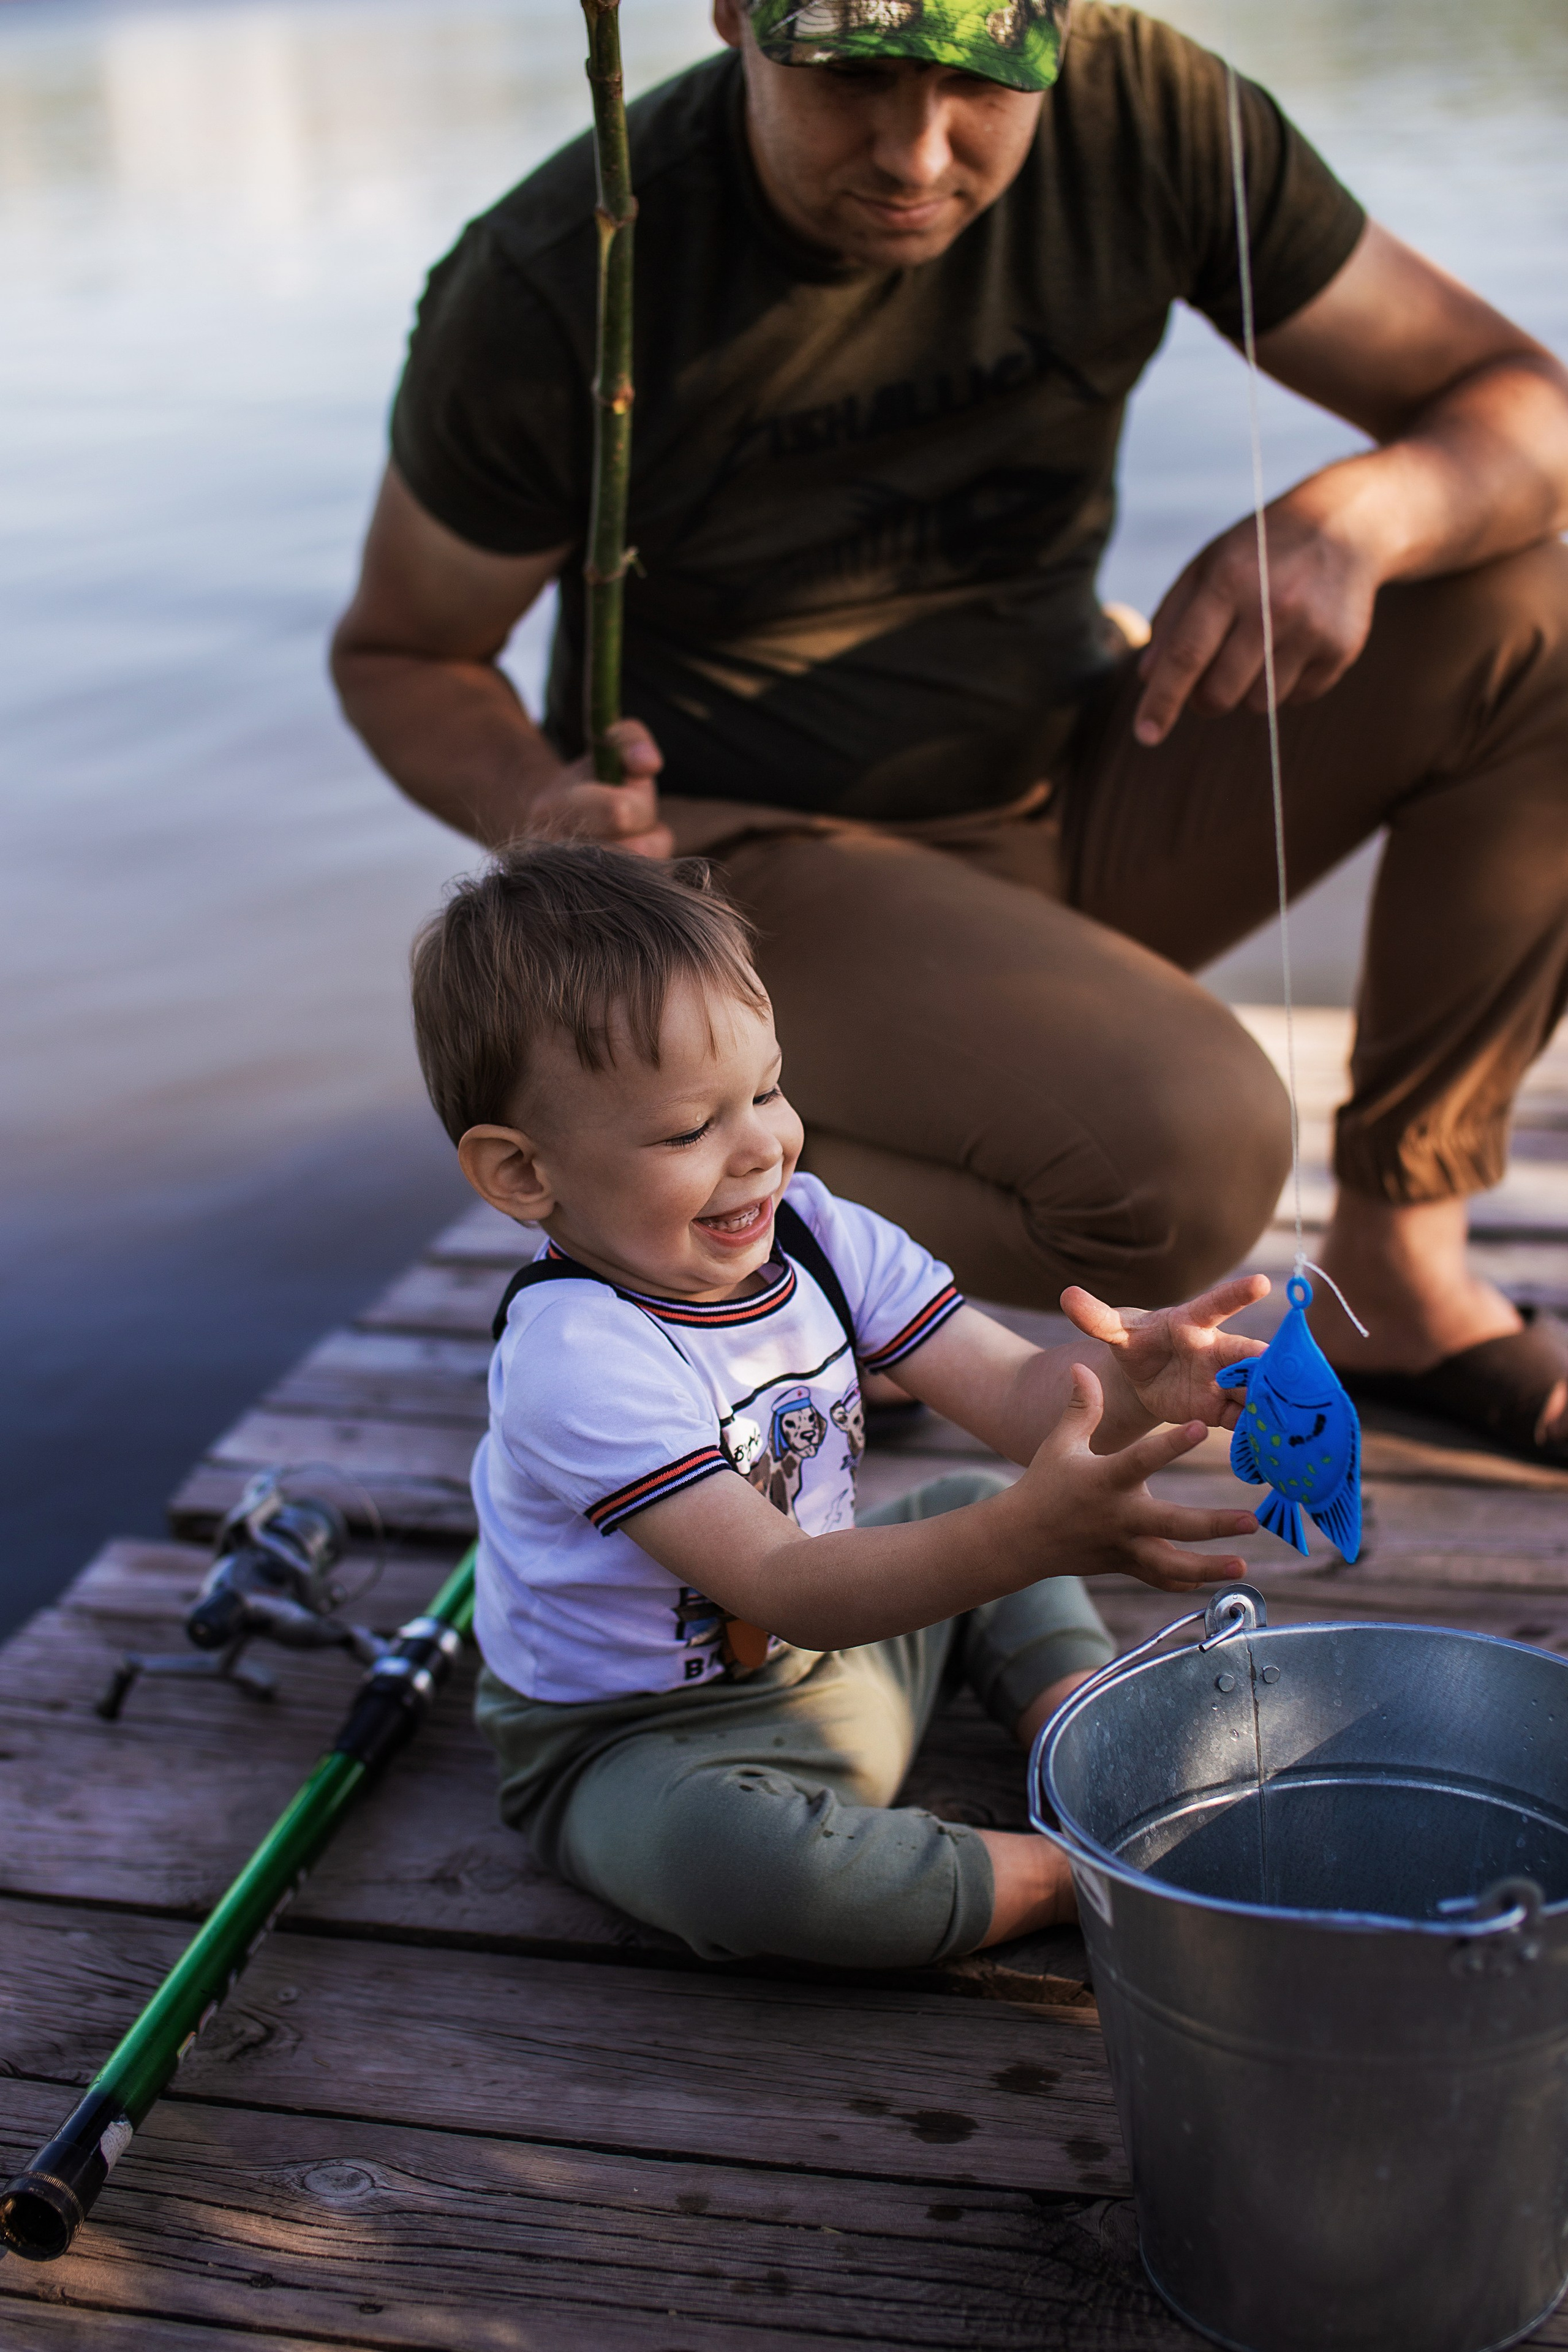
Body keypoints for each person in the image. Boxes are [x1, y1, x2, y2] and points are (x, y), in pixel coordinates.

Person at [334, 0, 1568, 1464]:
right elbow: (402, 653)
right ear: (732, 14)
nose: (917, 152)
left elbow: (1520, 411)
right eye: (855, 77)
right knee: (1191, 1154)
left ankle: (1401, 1270)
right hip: (756, 863)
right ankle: (784, 1285)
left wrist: (1362, 516)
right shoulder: (560, 275)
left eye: (985, 81)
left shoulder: (1145, 111)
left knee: (1537, 609)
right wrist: (540, 800)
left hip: (1070, 777)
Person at [412, 842, 1263, 1965]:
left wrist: (1132, 1383)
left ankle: (1085, 1745)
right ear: (525, 1175)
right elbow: (780, 1584)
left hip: (849, 1655)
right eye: (687, 1130)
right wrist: (1022, 1536)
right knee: (750, 1874)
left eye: (765, 1089)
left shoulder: (818, 1232)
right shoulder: (577, 1356)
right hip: (638, 1745)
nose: (761, 1146)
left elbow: (1015, 1391)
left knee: (967, 1499)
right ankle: (1066, 1876)